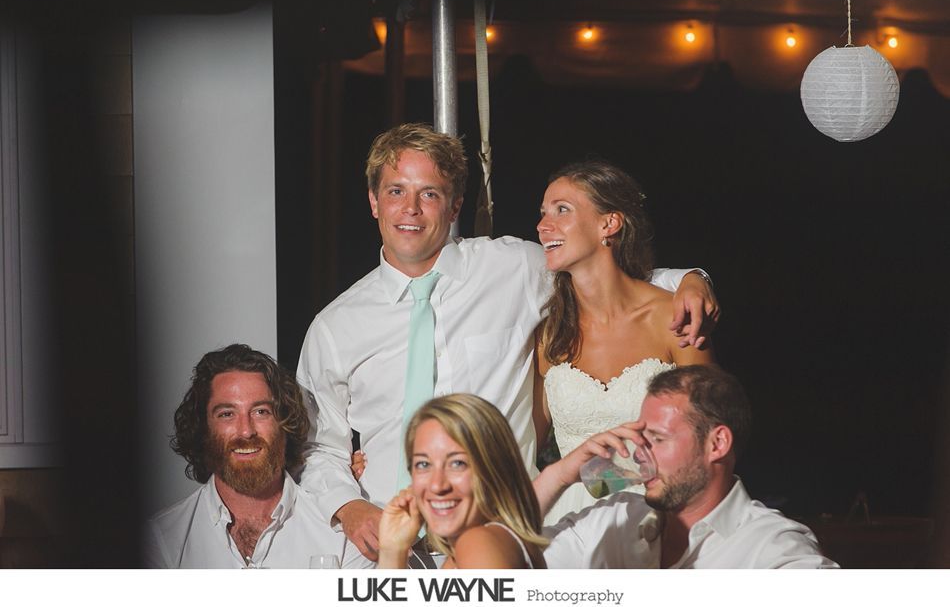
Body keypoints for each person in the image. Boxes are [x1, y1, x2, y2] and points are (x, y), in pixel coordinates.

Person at [296, 122, 718, 561]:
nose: (411, 209)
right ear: (373, 201)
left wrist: (691, 280)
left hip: (506, 538)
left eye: (429, 194)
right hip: (388, 545)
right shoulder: (335, 326)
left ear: (455, 206)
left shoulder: (514, 268)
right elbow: (317, 445)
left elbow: (607, 278)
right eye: (396, 191)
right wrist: (348, 508)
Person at [534, 160, 715, 524]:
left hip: (664, 516)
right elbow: (530, 442)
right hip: (568, 524)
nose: (542, 226)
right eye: (543, 214)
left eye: (562, 210)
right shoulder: (551, 335)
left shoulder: (672, 319)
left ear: (609, 224)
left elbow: (707, 437)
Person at [534, 365, 838, 569]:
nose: (639, 455)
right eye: (641, 439)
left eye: (658, 439)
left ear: (717, 444)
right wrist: (557, 475)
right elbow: (509, 559)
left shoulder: (771, 550)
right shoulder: (615, 518)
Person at [143, 344, 370, 569]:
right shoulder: (161, 541)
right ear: (203, 428)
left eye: (261, 412)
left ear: (285, 423)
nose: (246, 431)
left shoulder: (342, 533)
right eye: (227, 414)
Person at [378, 393, 546, 569]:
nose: (437, 485)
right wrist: (392, 551)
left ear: (493, 468)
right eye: (423, 464)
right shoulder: (485, 543)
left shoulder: (477, 545)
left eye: (457, 463)